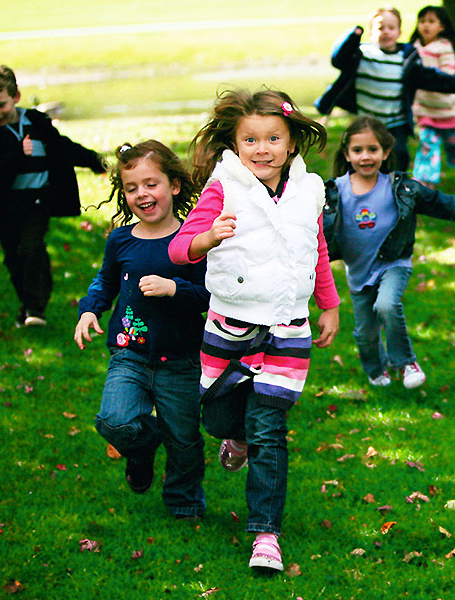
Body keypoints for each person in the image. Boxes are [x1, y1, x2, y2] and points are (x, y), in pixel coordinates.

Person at [168, 89, 340, 572]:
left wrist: (329, 302)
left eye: (272, 138)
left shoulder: (309, 190)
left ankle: (266, 535)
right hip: (231, 324)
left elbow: (316, 248)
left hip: (287, 326)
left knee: (270, 430)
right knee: (220, 418)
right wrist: (208, 236)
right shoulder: (225, 187)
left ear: (291, 143)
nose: (261, 149)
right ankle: (234, 437)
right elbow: (181, 249)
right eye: (250, 140)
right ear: (236, 143)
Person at [74, 140, 209, 520]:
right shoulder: (121, 241)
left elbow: (211, 296)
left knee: (184, 440)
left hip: (181, 359)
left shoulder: (192, 242)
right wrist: (89, 310)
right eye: (132, 188)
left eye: (151, 184)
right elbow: (105, 282)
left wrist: (174, 288)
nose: (142, 194)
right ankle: (143, 447)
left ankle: (183, 499)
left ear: (174, 186)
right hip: (129, 352)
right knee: (114, 420)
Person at [323, 116, 455, 389]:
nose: (365, 157)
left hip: (393, 262)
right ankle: (376, 370)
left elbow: (437, 202)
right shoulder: (335, 191)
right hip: (359, 271)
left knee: (386, 305)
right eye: (358, 150)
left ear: (385, 153)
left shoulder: (401, 187)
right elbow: (310, 224)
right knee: (365, 333)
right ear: (347, 154)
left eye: (373, 150)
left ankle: (406, 361)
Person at [0, 65, 106, 328]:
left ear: (16, 97)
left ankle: (36, 308)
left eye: (0, 105)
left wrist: (96, 161)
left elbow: (63, 147)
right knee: (14, 258)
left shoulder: (36, 122)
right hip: (6, 205)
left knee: (30, 248)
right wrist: (18, 155)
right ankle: (27, 305)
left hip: (37, 202)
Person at [314, 6, 455, 172]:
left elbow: (429, 77)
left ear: (399, 32)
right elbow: (338, 59)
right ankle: (354, 187)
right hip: (368, 121)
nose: (386, 32)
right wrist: (353, 35)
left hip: (395, 122)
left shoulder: (406, 58)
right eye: (380, 28)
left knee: (398, 154)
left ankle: (397, 187)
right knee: (359, 157)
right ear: (371, 32)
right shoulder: (362, 54)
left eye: (391, 28)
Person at [409, 5, 455, 187]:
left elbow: (449, 73)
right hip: (424, 107)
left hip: (446, 108)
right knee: (427, 142)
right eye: (422, 21)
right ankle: (425, 178)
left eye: (431, 21)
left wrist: (431, 78)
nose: (426, 25)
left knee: (454, 142)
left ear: (442, 27)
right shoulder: (412, 49)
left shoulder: (444, 48)